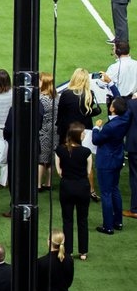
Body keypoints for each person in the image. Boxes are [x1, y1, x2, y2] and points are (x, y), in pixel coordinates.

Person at [92, 96, 130, 234]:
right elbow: (122, 102)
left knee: (106, 193)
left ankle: (108, 226)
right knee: (115, 189)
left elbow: (96, 140)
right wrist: (112, 85)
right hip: (117, 159)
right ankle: (118, 221)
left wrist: (97, 127)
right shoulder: (124, 118)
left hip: (106, 162)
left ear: (113, 109)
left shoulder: (110, 127)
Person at [55, 122, 93, 260]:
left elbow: (59, 171)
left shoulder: (60, 150)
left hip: (67, 187)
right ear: (78, 136)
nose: (83, 134)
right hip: (82, 187)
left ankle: (68, 250)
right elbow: (88, 171)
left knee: (67, 220)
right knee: (83, 219)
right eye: (82, 133)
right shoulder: (86, 152)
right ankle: (83, 251)